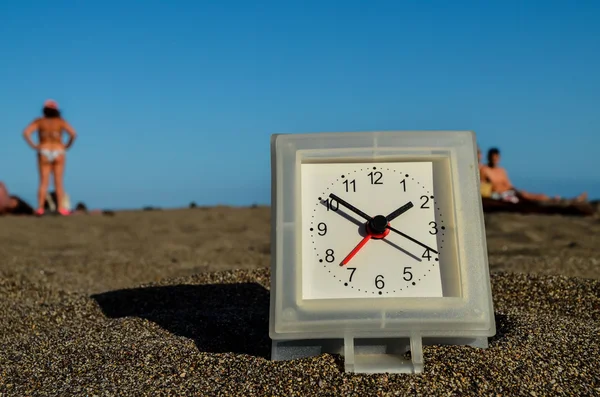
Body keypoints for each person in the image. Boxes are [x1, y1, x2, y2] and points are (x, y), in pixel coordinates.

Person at [22, 99, 77, 216]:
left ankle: (40, 208)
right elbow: (73, 134)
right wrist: (67, 145)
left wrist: (34, 145)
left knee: (43, 182)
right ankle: (61, 208)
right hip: (59, 150)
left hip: (44, 150)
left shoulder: (39, 121)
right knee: (58, 182)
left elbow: (26, 132)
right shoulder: (60, 122)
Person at [481, 147, 587, 203]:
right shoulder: (484, 169)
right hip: (500, 195)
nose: (495, 159)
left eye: (496, 157)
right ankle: (567, 200)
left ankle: (566, 200)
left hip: (510, 191)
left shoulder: (502, 170)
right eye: (492, 157)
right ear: (488, 157)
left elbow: (509, 184)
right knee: (534, 197)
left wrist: (516, 191)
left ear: (499, 158)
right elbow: (483, 186)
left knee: (535, 195)